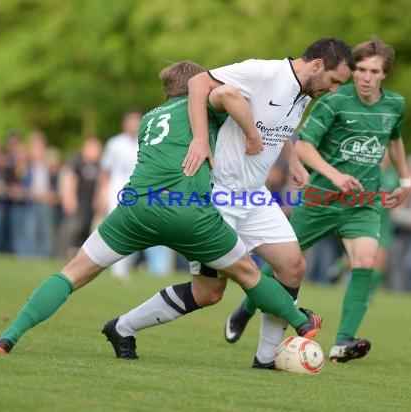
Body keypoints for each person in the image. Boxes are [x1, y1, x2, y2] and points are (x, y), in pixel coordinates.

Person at [0, 61, 321, 356]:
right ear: (196, 87)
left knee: (71, 273)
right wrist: (249, 134)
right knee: (248, 274)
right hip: (188, 212)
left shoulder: (147, 119)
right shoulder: (204, 103)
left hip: (135, 209)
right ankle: (302, 323)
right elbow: (230, 96)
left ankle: (7, 337)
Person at [104, 37, 354, 367]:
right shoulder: (263, 72)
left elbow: (277, 127)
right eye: (334, 81)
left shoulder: (305, 90)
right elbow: (198, 83)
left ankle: (267, 359)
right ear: (318, 65)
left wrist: (292, 159)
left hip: (254, 194)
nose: (334, 89)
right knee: (209, 293)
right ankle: (122, 327)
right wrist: (199, 139)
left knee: (293, 266)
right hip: (220, 195)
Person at [224, 37, 411, 364]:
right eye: (361, 70)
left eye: (374, 71)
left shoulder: (394, 105)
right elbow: (305, 146)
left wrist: (406, 180)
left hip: (363, 202)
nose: (366, 77)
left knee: (365, 262)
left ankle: (343, 341)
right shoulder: (333, 100)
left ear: (385, 74)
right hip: (321, 199)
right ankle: (247, 307)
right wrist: (335, 175)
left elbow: (395, 140)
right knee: (286, 265)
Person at [96, 111, 172, 279]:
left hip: (142, 192)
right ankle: (116, 268)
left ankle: (145, 268)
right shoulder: (115, 144)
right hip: (117, 191)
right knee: (118, 229)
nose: (133, 125)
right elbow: (105, 172)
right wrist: (101, 195)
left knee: (142, 229)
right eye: (130, 122)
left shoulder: (150, 142)